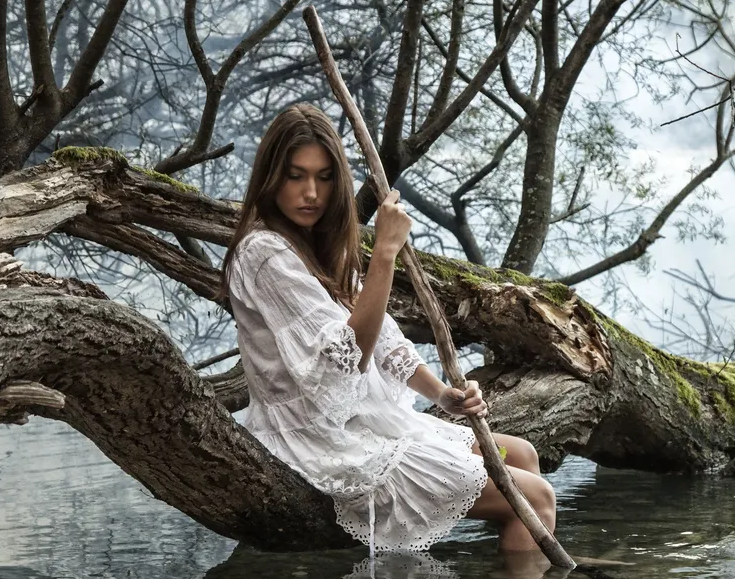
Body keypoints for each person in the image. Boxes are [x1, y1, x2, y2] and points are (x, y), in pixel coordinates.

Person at [220, 104, 557, 554]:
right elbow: (346, 358)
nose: (310, 193)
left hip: (363, 422)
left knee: (522, 455)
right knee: (534, 498)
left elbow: (386, 342)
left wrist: (444, 396)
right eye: (295, 176)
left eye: (323, 178)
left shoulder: (323, 249)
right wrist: (383, 255)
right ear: (270, 178)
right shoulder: (263, 254)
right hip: (318, 437)